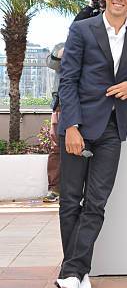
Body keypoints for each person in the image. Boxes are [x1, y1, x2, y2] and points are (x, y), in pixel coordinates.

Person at [56, 0, 127, 288]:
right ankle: (76, 271)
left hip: (113, 128)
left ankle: (73, 270)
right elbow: (68, 80)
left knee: (96, 203)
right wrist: (71, 126)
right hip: (79, 125)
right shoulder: (82, 29)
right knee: (71, 201)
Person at [42, 42, 65, 203]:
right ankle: (55, 188)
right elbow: (52, 63)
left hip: (88, 104)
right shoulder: (63, 45)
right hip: (61, 104)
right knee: (57, 147)